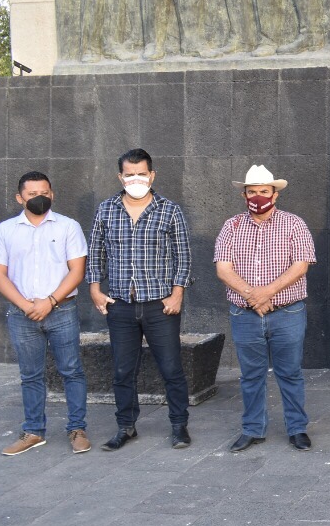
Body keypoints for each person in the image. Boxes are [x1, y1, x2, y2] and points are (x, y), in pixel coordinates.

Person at [88, 148, 192, 451]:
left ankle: (179, 426)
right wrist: (95, 289)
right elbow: (96, 252)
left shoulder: (169, 210)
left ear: (152, 175)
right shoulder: (106, 209)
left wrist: (177, 294)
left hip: (160, 305)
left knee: (171, 367)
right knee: (122, 370)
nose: (136, 179)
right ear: (121, 176)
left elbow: (183, 256)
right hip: (119, 304)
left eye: (141, 173)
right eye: (130, 174)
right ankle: (125, 426)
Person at [215, 165, 317, 452]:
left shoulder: (294, 224)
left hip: (287, 312)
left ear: (275, 194)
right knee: (250, 375)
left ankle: (297, 428)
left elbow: (301, 265)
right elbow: (223, 269)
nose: (257, 196)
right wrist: (252, 296)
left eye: (263, 191)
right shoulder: (231, 226)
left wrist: (266, 293)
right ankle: (252, 429)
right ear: (243, 194)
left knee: (290, 372)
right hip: (244, 313)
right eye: (251, 191)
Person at [0, 172, 90, 456]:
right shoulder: (5, 230)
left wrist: (50, 301)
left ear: (52, 194)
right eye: (31, 194)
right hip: (23, 314)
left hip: (62, 310)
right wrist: (25, 304)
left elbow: (77, 270)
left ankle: (77, 429)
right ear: (20, 198)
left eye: (44, 192)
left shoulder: (68, 227)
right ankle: (33, 431)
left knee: (71, 370)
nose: (39, 197)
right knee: (30, 375)